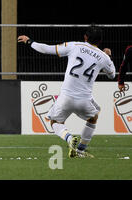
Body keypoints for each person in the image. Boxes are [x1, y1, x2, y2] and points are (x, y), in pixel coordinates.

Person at [18, 25, 116, 158]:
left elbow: (47, 49)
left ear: (85, 37)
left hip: (66, 97)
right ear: (100, 41)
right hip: (84, 100)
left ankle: (69, 138)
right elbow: (112, 75)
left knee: (55, 122)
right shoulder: (103, 57)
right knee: (93, 118)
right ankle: (81, 149)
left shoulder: (74, 46)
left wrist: (30, 42)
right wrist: (108, 56)